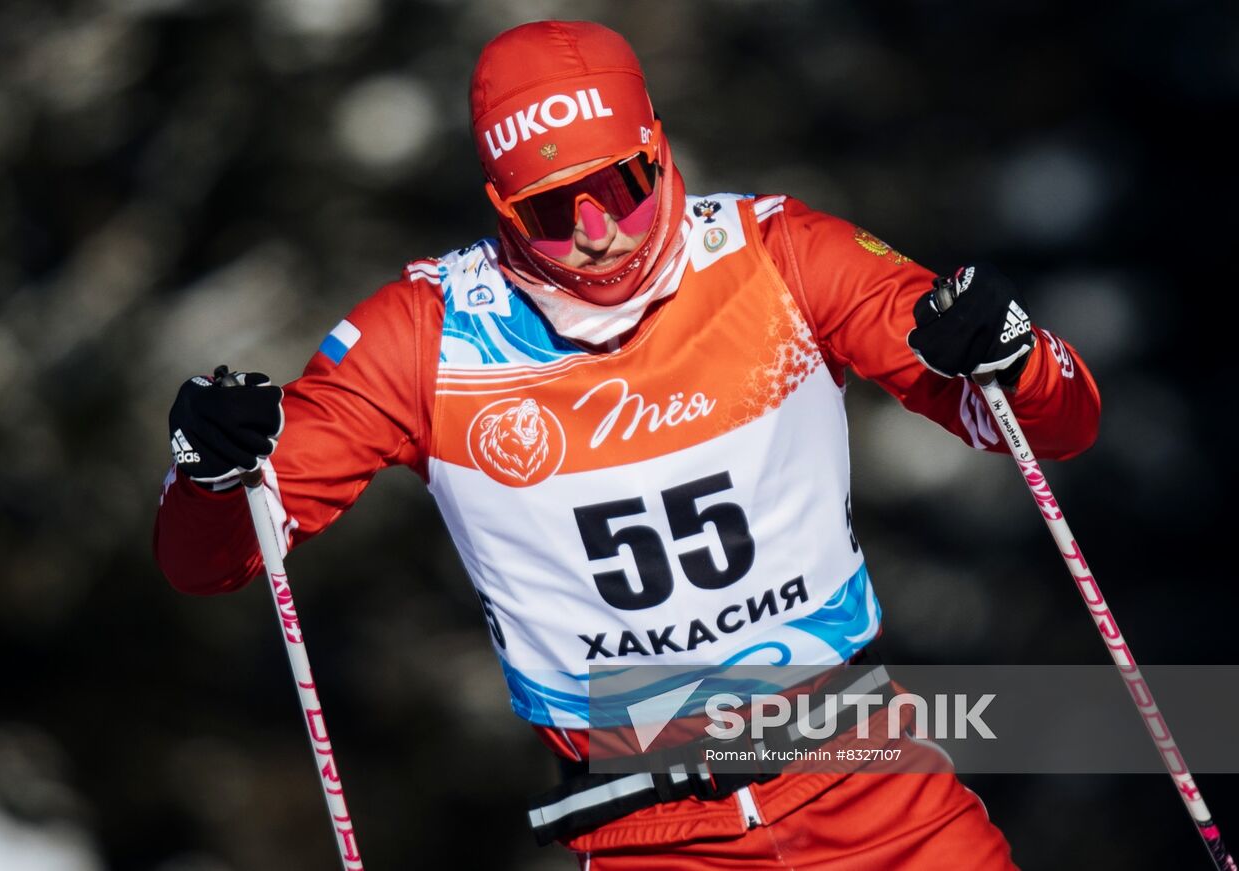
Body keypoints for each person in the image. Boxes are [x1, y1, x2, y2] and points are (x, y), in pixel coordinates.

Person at [154, 19, 1099, 869]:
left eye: (623, 189)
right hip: (651, 830)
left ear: (658, 147)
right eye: (555, 213)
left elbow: (1049, 422)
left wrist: (1009, 355)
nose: (601, 237)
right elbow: (220, 557)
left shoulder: (777, 258)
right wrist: (211, 472)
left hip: (873, 792)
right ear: (500, 206)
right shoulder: (427, 336)